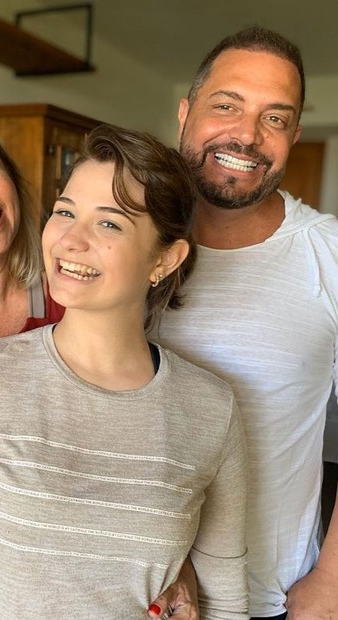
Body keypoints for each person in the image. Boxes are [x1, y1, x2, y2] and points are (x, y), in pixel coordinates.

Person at [0, 124, 249, 619]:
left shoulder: (210, 408)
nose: (70, 238)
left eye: (109, 223)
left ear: (165, 259)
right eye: (64, 211)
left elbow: (226, 599)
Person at [151, 26, 338, 619]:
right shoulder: (124, 242)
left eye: (275, 118)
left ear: (295, 137)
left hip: (273, 597)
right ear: (186, 112)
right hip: (126, 589)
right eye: (226, 105)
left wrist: (331, 584)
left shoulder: (330, 256)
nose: (248, 135)